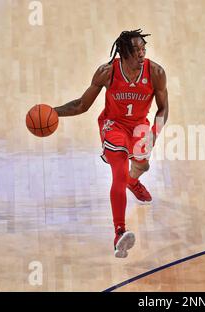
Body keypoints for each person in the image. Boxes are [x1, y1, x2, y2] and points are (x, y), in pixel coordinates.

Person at [54, 29, 169, 258]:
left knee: (141, 166)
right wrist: (53, 112)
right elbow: (81, 105)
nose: (141, 54)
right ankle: (119, 232)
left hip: (139, 127)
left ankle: (133, 181)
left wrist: (154, 132)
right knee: (119, 172)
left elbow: (163, 109)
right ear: (124, 53)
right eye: (136, 51)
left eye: (143, 50)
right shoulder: (107, 73)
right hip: (113, 125)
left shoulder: (156, 72)